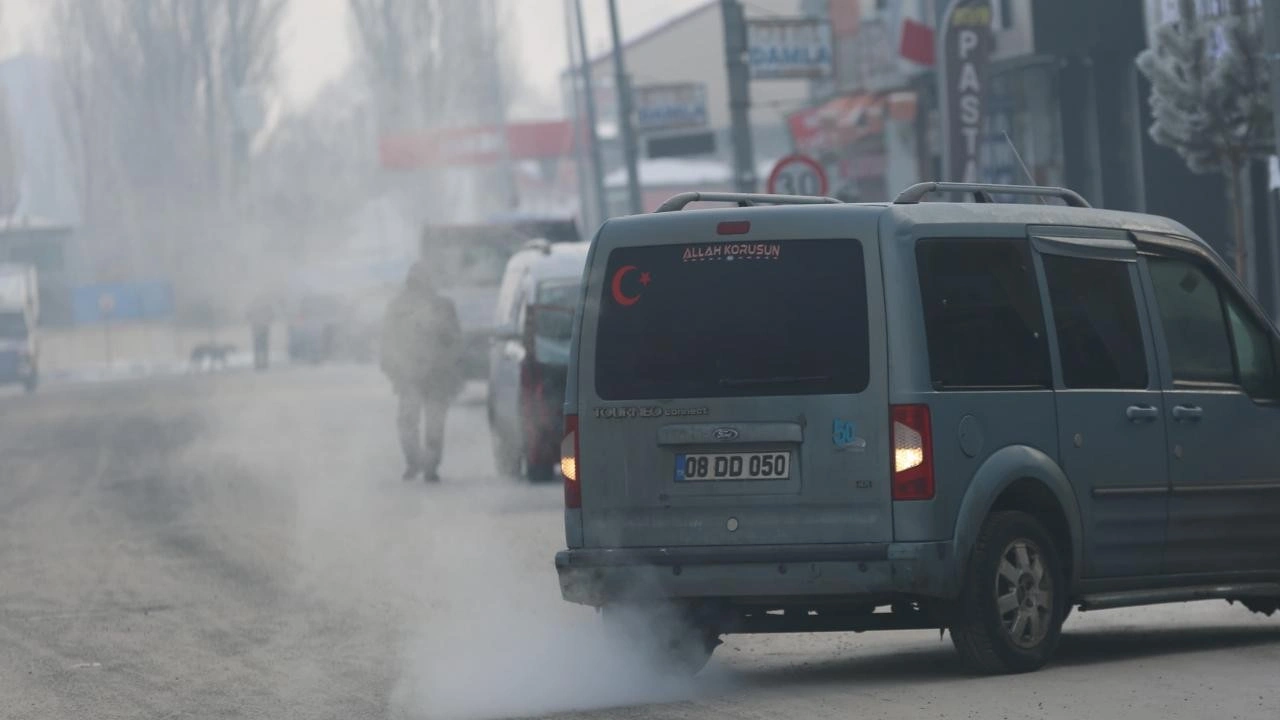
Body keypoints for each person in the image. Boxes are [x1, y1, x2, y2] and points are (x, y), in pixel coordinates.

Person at [379, 261, 463, 482]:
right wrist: (393, 369)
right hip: (410, 376)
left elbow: (455, 340)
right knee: (411, 423)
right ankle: (418, 463)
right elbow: (387, 342)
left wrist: (450, 365)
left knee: (431, 424)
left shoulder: (442, 307)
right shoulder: (399, 308)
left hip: (436, 375)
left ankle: (428, 465)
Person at [247, 297, 274, 371]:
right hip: (261, 329)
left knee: (260, 348)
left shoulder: (255, 308)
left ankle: (260, 364)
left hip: (259, 329)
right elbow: (271, 316)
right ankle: (262, 364)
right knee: (262, 348)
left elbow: (248, 316)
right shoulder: (265, 308)